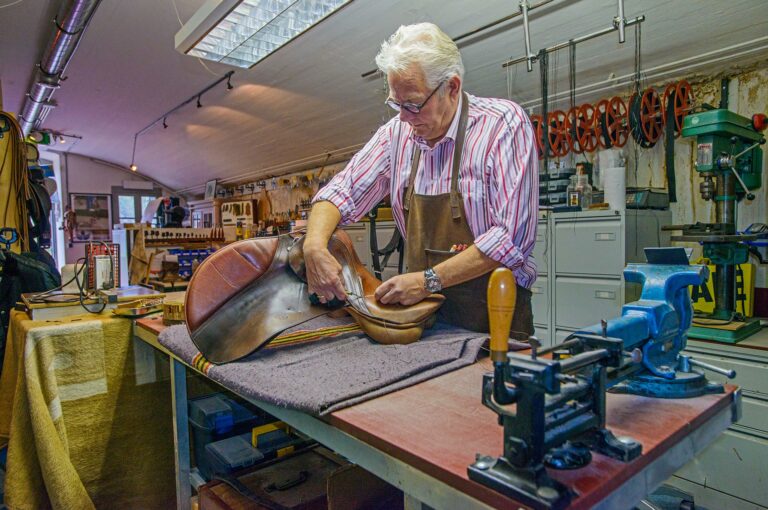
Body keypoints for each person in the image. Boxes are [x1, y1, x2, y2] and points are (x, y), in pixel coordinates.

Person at [304, 22, 538, 337]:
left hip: (495, 315)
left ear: (452, 87)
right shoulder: (396, 135)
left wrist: (426, 280)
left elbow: (511, 239)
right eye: (395, 104)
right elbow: (340, 192)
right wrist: (314, 245)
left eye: (413, 104)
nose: (403, 116)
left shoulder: (503, 126)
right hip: (421, 316)